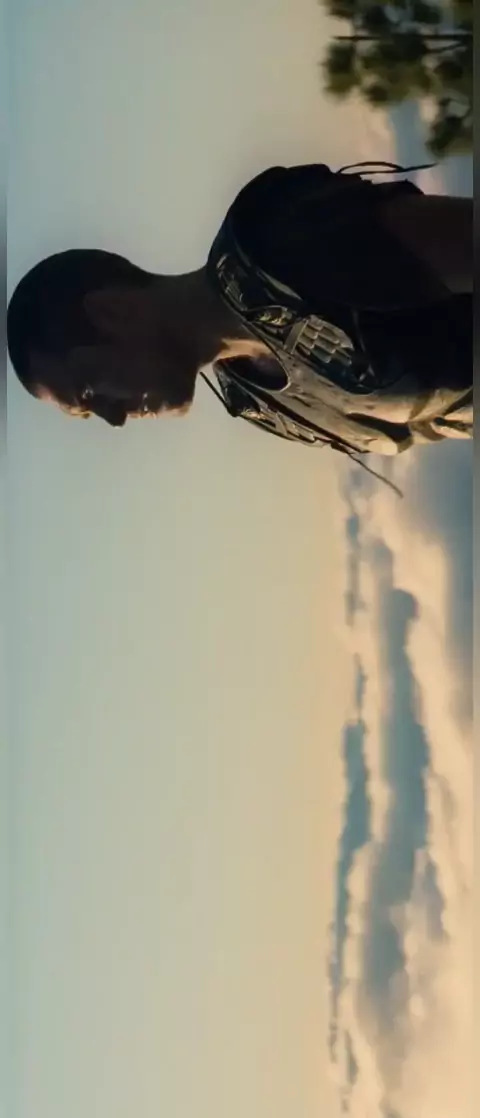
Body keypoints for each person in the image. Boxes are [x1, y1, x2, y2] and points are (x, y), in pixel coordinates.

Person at [7, 161, 472, 477]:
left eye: (90, 392)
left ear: (109, 311)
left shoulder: (280, 242)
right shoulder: (258, 405)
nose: (114, 419)